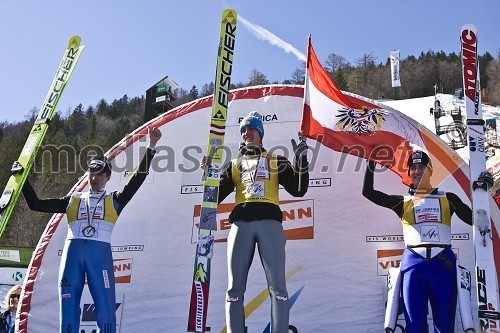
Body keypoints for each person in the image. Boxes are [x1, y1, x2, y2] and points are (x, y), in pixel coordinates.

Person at [16, 127, 161, 333]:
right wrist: (21, 179)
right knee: (68, 308)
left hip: (99, 257)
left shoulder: (115, 200)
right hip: (72, 256)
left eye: (100, 173)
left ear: (108, 177)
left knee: (105, 310)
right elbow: (35, 204)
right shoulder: (72, 200)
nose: (95, 177)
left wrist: (151, 146)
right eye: (92, 173)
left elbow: (138, 178)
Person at [362, 150, 489, 333]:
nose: (417, 171)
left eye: (422, 166)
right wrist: (371, 162)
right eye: (413, 168)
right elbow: (369, 192)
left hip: (442, 266)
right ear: (409, 173)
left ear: (430, 171)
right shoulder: (403, 202)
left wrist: (481, 190)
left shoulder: (448, 198)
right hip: (413, 268)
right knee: (415, 327)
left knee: (445, 327)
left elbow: (473, 219)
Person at [207, 111, 309, 333]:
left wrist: (301, 160)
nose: (247, 133)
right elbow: (212, 198)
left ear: (260, 133)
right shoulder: (233, 164)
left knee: (278, 289)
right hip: (240, 226)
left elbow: (299, 189)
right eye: (243, 129)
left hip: (270, 225)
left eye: (251, 128)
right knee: (234, 290)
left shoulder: (276, 160)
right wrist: (209, 173)